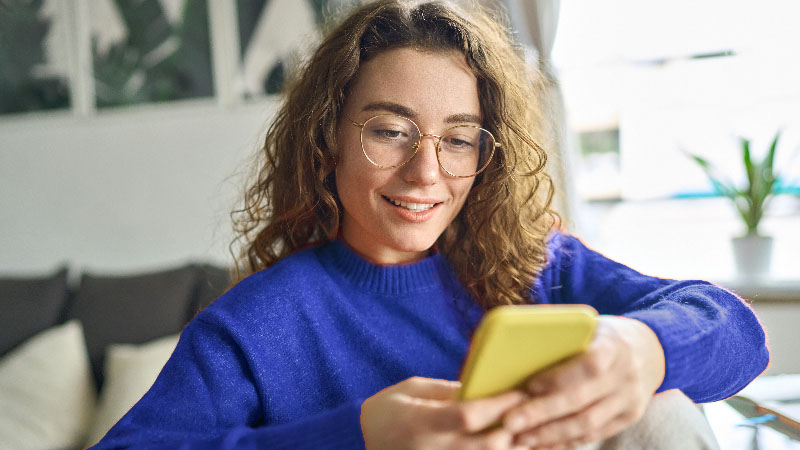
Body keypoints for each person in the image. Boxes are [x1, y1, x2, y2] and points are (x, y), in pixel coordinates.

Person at [92, 1, 769, 449]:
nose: (426, 173)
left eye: (459, 139)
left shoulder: (543, 266)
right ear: (326, 137)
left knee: (665, 408)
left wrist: (641, 350)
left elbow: (737, 333)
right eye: (390, 130)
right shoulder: (254, 327)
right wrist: (360, 433)